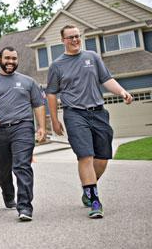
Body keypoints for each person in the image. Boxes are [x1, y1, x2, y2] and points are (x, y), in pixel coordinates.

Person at [46, 24, 133, 219]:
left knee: (101, 159)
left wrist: (121, 92)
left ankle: (88, 187)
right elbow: (51, 94)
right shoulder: (57, 66)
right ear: (63, 41)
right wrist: (55, 120)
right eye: (70, 37)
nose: (75, 40)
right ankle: (94, 199)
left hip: (99, 112)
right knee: (85, 156)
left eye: (77, 36)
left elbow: (107, 79)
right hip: (75, 114)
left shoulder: (92, 57)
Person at [0, 46, 46, 221]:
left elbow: (38, 104)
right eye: (7, 58)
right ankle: (8, 195)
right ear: (0, 60)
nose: (10, 62)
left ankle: (25, 207)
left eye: (14, 59)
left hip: (22, 127)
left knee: (22, 165)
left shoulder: (28, 82)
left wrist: (42, 127)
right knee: (3, 168)